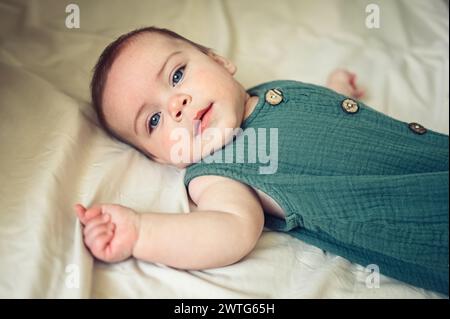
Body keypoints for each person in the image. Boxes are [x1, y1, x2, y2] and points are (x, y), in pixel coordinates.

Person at [74, 27, 448, 295]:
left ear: (219, 61)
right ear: (162, 157)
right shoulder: (217, 172)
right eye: (153, 121)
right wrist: (140, 232)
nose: (176, 104)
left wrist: (337, 92)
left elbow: (322, 124)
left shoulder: (273, 91)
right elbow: (229, 231)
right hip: (420, 217)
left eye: (176, 74)